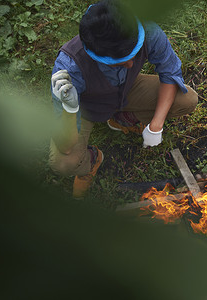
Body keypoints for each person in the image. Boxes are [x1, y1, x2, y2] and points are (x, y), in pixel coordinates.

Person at [50, 0, 198, 198]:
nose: (130, 65)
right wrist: (70, 109)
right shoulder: (69, 69)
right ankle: (92, 160)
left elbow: (169, 72)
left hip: (127, 90)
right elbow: (65, 146)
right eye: (118, 63)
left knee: (187, 99)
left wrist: (156, 125)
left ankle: (122, 119)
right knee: (63, 162)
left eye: (133, 55)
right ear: (96, 55)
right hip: (86, 106)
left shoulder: (147, 30)